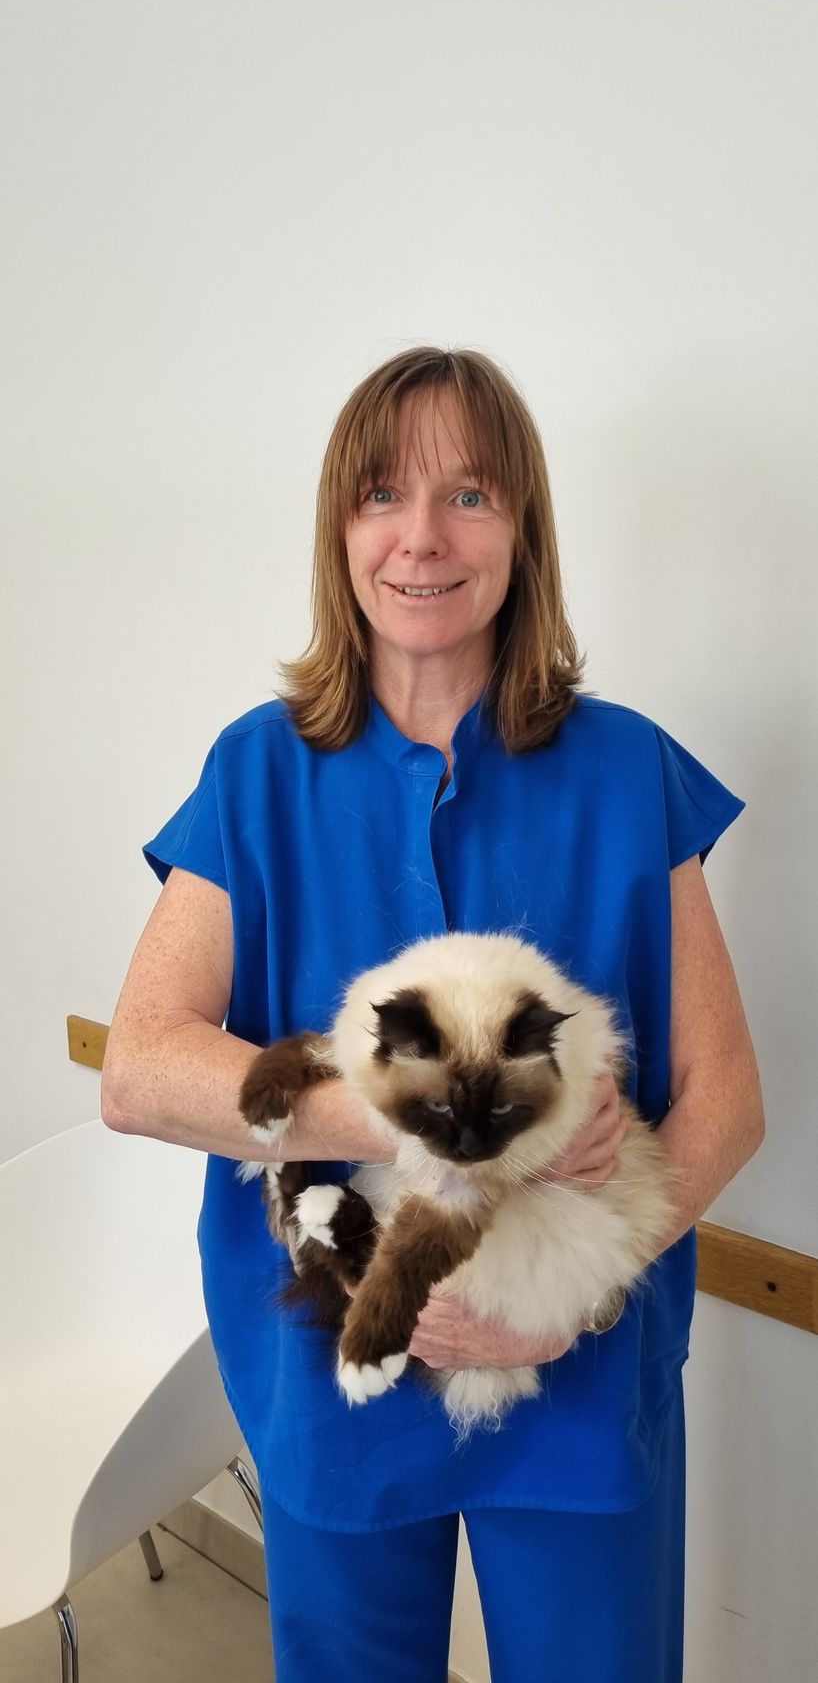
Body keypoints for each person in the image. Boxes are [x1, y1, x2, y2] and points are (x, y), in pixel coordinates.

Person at [102, 346, 764, 1683]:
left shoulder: (628, 772)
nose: (419, 537)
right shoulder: (255, 771)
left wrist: (562, 1305)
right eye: (380, 495)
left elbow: (725, 1102)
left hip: (574, 1373)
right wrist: (414, 1129)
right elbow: (141, 1067)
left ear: (521, 532)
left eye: (468, 495)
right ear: (337, 531)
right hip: (334, 1368)